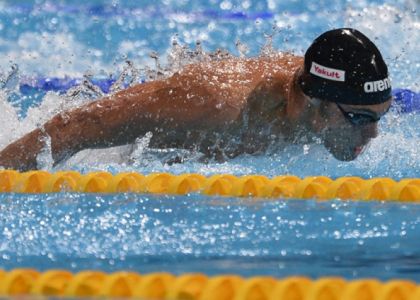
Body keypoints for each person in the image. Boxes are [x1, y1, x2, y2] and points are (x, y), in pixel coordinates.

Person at [0, 28, 392, 171]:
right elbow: (72, 128)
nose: (373, 134)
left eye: (380, 117)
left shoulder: (314, 109)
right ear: (315, 105)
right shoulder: (215, 105)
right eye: (360, 118)